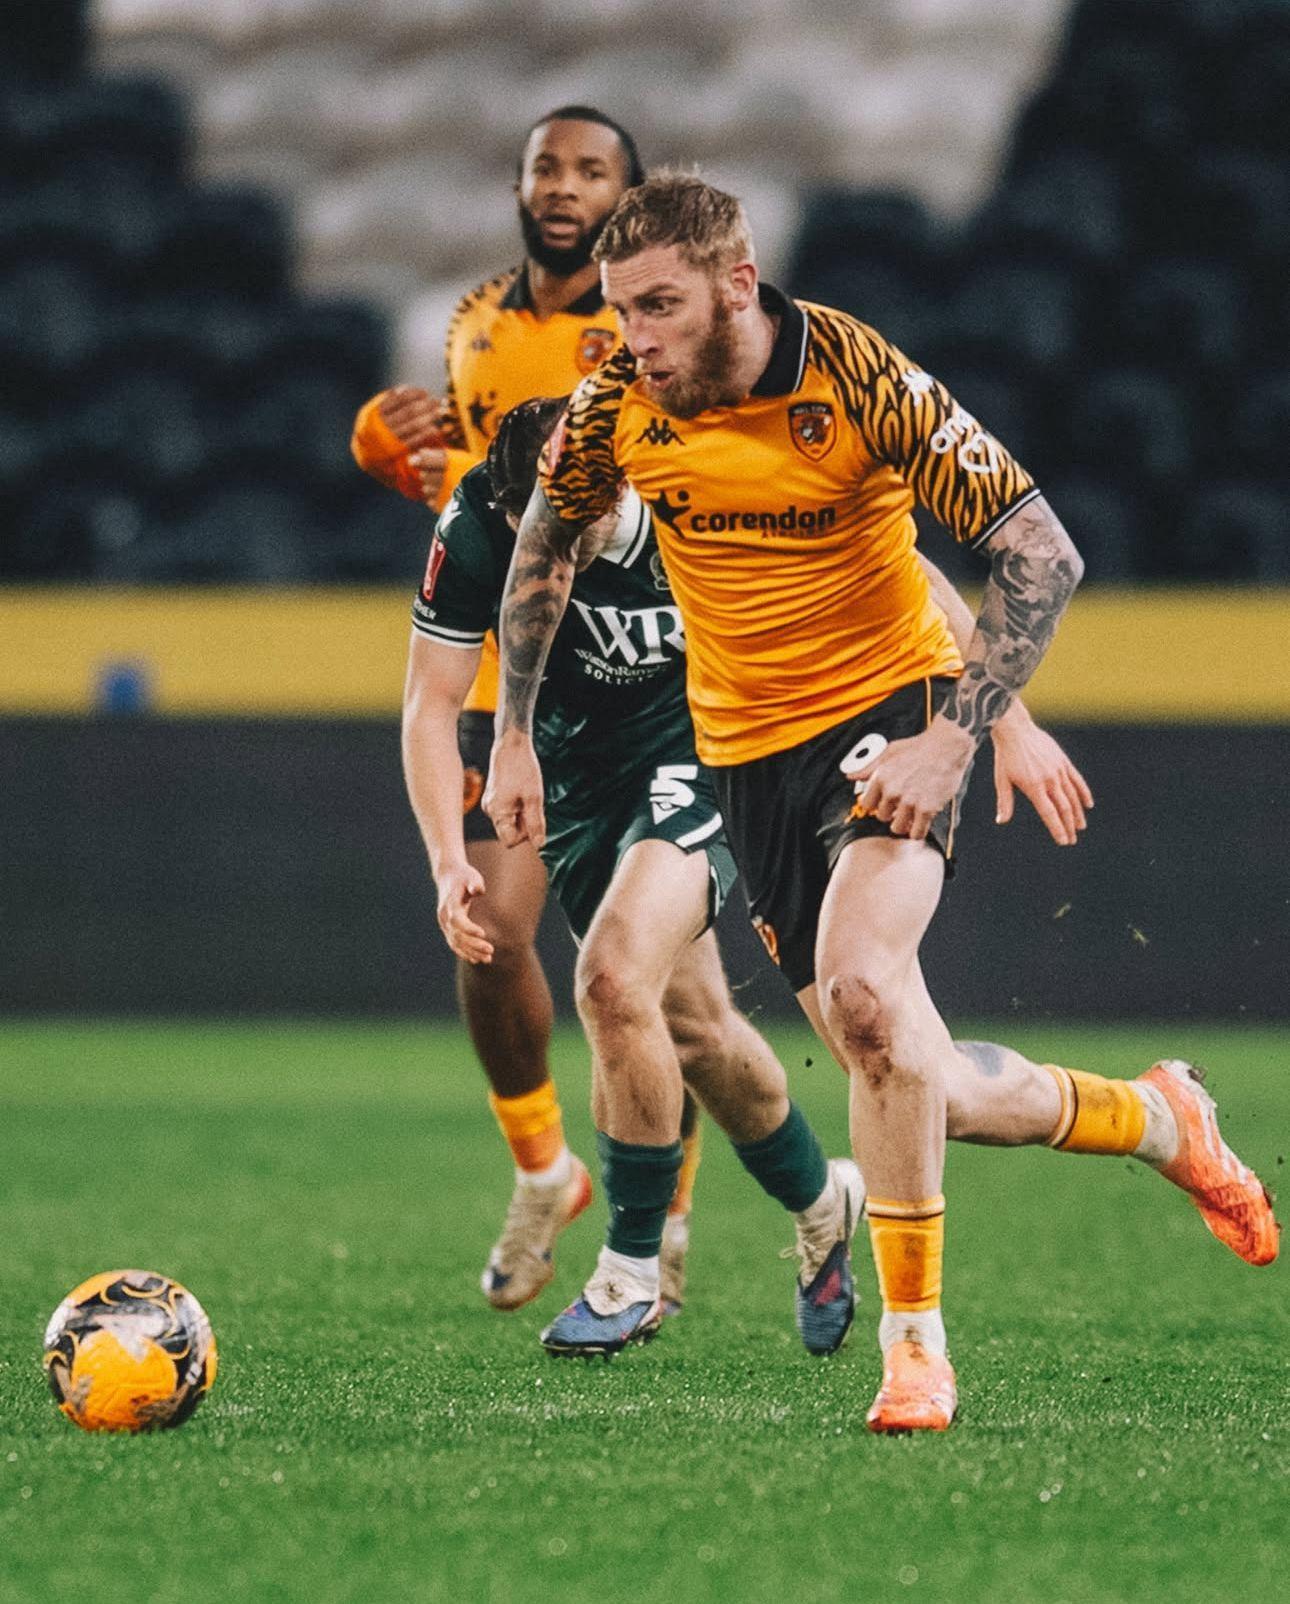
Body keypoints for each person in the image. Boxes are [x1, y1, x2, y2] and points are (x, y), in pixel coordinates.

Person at [485, 173, 1279, 1429]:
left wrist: (963, 735)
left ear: (737, 285)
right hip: (745, 758)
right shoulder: (616, 406)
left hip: (890, 715)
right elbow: (542, 545)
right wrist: (513, 736)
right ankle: (1155, 1117)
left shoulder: (858, 381)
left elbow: (1041, 552)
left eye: (660, 306)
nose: (635, 337)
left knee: (861, 991)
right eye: (620, 310)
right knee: (914, 1070)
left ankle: (916, 1352)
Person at [405, 396, 864, 1357]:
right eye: (530, 523)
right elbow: (431, 702)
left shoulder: (692, 494)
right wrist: (448, 860)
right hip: (578, 779)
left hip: (710, 751)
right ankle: (826, 1203)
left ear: (614, 490)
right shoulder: (477, 522)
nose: (543, 545)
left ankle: (629, 1272)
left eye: (562, 525)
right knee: (696, 1031)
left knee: (610, 978)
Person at [351, 108, 713, 1312]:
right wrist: (392, 457)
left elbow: (643, 491)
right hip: (513, 689)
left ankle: (662, 1223)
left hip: (643, 681)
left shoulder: (648, 330)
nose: (564, 186)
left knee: (659, 984)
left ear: (629, 196)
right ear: (517, 186)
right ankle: (545, 1166)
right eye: (546, 167)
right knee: (493, 936)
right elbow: (487, 503)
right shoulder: (473, 324)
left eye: (591, 171)